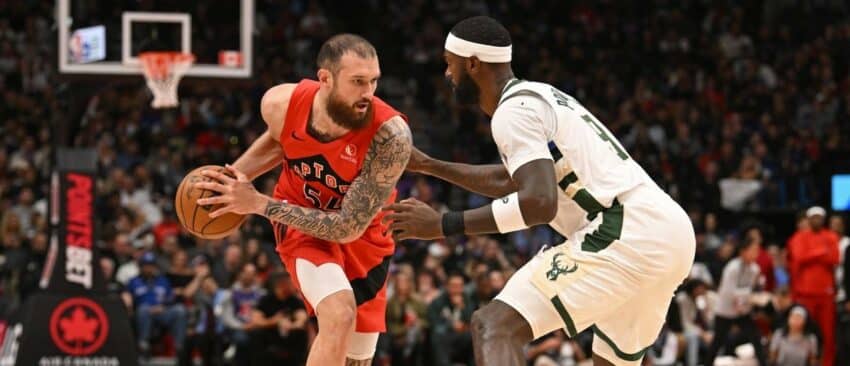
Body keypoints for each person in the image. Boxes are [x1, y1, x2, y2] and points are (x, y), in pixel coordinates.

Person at [384, 16, 695, 366]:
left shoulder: (512, 113)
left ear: (472, 63)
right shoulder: (541, 95)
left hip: (625, 231)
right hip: (669, 232)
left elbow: (539, 203)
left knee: (493, 326)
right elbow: (515, 179)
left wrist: (443, 224)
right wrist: (431, 166)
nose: (446, 73)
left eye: (449, 63)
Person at [193, 33, 412, 365]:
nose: (368, 93)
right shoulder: (280, 104)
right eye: (357, 82)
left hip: (364, 235)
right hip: (301, 221)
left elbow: (347, 228)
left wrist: (257, 203)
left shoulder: (390, 136)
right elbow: (280, 140)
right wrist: (231, 180)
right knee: (339, 315)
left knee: (357, 359)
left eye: (373, 82)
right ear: (324, 78)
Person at [786, 206, 840, 366]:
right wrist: (821, 252)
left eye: (819, 217)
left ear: (823, 220)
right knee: (806, 331)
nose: (816, 220)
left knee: (828, 333)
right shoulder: (798, 238)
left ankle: (827, 363)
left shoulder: (831, 236)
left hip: (826, 293)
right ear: (809, 219)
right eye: (813, 217)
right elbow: (799, 257)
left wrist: (812, 254)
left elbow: (835, 258)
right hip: (805, 293)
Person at [706, 238, 768, 366]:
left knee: (755, 337)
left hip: (743, 310)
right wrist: (751, 296)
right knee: (717, 342)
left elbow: (750, 289)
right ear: (743, 252)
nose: (756, 254)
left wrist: (754, 297)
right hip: (725, 310)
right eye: (753, 250)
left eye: (757, 251)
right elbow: (729, 292)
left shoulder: (755, 269)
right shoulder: (732, 267)